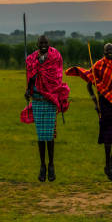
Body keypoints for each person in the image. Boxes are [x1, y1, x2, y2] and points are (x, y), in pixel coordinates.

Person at [66, 43, 112, 181]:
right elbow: (89, 84)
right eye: (107, 51)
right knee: (108, 135)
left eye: (111, 51)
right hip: (105, 105)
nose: (109, 53)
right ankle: (107, 167)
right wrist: (95, 103)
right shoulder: (99, 66)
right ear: (103, 52)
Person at [24, 35, 70, 182]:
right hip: (37, 100)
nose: (43, 45)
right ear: (37, 44)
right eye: (40, 43)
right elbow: (31, 78)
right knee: (40, 136)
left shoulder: (55, 56)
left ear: (49, 44)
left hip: (49, 100)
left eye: (45, 43)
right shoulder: (32, 59)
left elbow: (57, 77)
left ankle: (51, 165)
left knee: (48, 135)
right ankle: (42, 166)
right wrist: (28, 91)